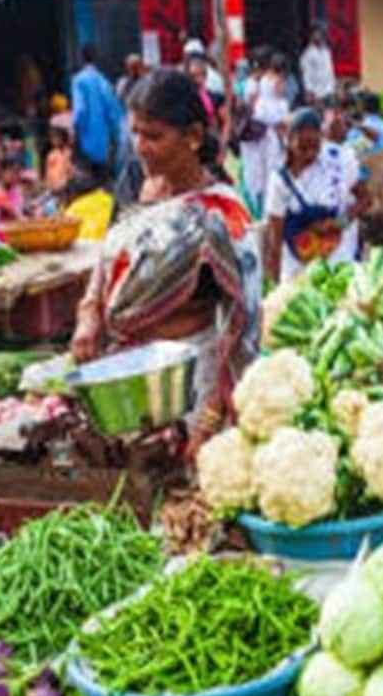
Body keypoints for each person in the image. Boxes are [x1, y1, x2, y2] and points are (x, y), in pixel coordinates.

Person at [71, 69, 252, 449]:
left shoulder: (221, 213)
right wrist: (89, 317)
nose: (140, 146)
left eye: (153, 136)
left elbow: (244, 324)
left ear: (194, 137)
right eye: (135, 132)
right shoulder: (135, 181)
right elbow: (107, 256)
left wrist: (210, 418)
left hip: (188, 384)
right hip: (122, 376)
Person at [262, 106, 364, 286]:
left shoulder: (338, 162)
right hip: (297, 275)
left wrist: (340, 222)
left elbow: (365, 199)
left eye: (315, 146)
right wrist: (273, 289)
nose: (309, 153)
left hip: (338, 268)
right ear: (290, 141)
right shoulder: (280, 180)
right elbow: (274, 241)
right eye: (303, 147)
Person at [241, 51, 292, 208]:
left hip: (271, 145)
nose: (282, 85)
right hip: (267, 146)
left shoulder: (267, 103)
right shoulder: (267, 103)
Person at [70, 44, 125, 177]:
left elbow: (80, 111)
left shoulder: (79, 81)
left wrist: (74, 133)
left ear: (81, 59)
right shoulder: (102, 80)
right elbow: (114, 113)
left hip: (86, 142)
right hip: (105, 143)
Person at [300, 25, 338, 105]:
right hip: (317, 93)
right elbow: (306, 75)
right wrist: (310, 92)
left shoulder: (327, 51)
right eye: (315, 34)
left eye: (320, 34)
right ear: (311, 36)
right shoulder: (308, 54)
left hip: (329, 90)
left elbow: (330, 70)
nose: (318, 36)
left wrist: (333, 86)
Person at [43, 114, 76, 194]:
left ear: (63, 136)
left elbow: (71, 173)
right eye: (52, 137)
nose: (54, 140)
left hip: (66, 189)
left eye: (57, 137)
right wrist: (50, 185)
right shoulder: (51, 155)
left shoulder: (70, 153)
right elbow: (48, 174)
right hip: (53, 189)